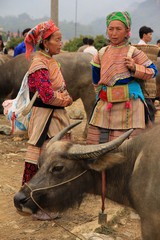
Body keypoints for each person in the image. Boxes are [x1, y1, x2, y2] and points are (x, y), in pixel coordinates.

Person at [87, 11, 158, 145]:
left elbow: (153, 71)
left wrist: (135, 67)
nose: (114, 33)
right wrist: (100, 96)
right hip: (105, 104)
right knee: (98, 143)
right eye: (110, 29)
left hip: (130, 104)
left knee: (129, 146)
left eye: (118, 29)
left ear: (127, 31)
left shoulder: (134, 52)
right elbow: (95, 80)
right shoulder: (101, 53)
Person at [22, 19, 73, 185]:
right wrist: (66, 100)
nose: (61, 43)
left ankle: (52, 201)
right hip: (45, 119)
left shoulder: (51, 61)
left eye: (61, 39)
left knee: (58, 162)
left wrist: (65, 97)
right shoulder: (39, 63)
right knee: (43, 159)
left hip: (56, 117)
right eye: (57, 40)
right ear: (45, 42)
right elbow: (47, 96)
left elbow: (59, 89)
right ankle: (36, 203)